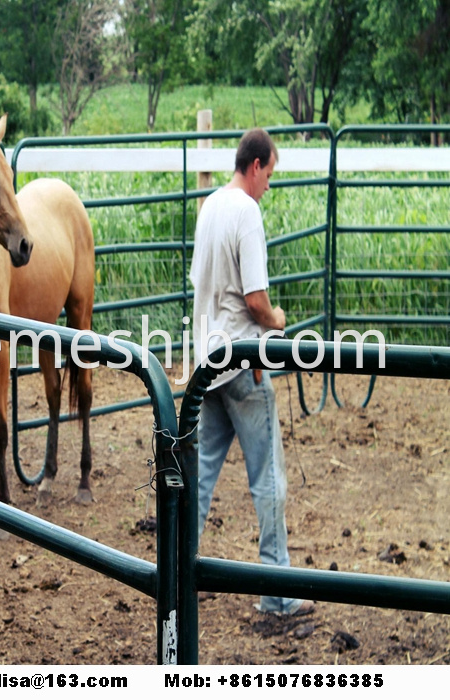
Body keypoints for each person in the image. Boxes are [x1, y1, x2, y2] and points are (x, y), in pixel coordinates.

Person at [189, 128, 314, 616]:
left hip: (208, 365)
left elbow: (202, 283)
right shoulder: (246, 211)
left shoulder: (210, 206)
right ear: (256, 165)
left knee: (199, 479)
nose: (269, 185)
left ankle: (181, 573)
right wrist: (278, 319)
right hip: (244, 365)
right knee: (268, 478)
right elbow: (257, 300)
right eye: (270, 174)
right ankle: (277, 592)